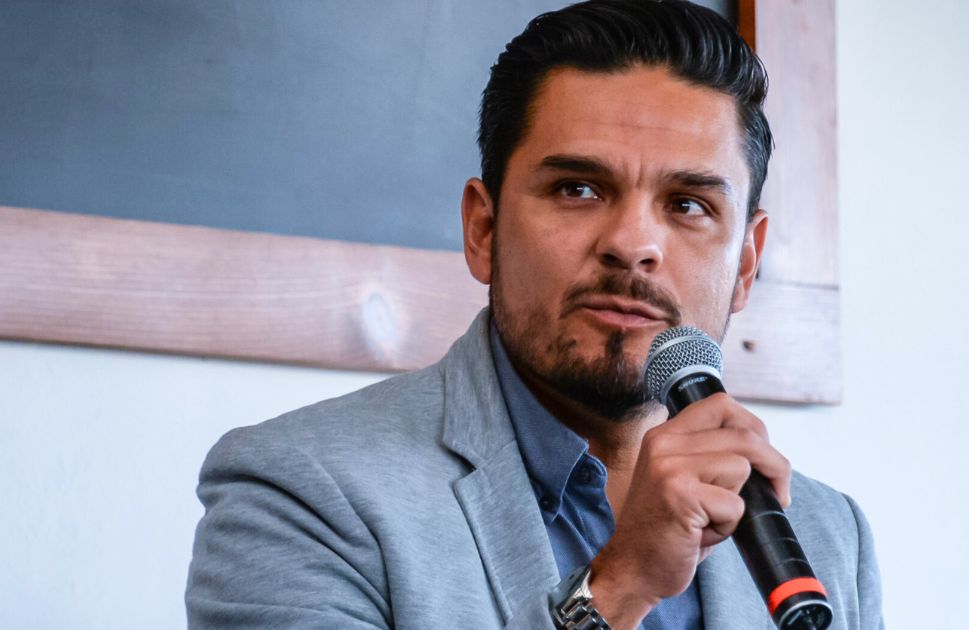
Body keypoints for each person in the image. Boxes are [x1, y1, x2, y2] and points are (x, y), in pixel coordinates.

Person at [185, 1, 884, 628]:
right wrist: (619, 588)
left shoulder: (828, 537)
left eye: (687, 204)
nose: (632, 244)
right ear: (483, 230)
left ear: (746, 264)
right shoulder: (298, 490)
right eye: (579, 189)